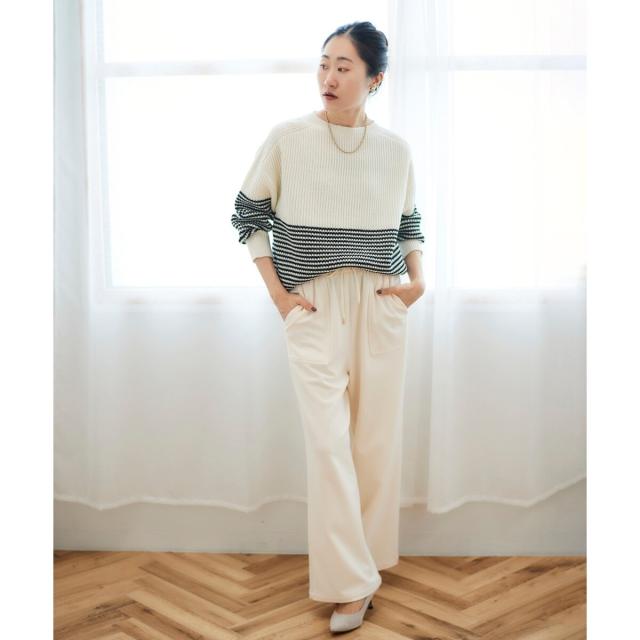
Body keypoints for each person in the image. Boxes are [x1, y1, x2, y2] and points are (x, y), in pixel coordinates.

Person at [231, 21, 425, 633]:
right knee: (328, 445)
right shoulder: (288, 138)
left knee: (374, 444)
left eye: (344, 66)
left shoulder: (395, 150)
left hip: (380, 300)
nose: (329, 77)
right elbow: (247, 213)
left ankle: (367, 563)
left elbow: (410, 222)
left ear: (375, 78)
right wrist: (279, 296)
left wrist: (418, 281)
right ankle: (350, 585)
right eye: (324, 64)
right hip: (312, 305)